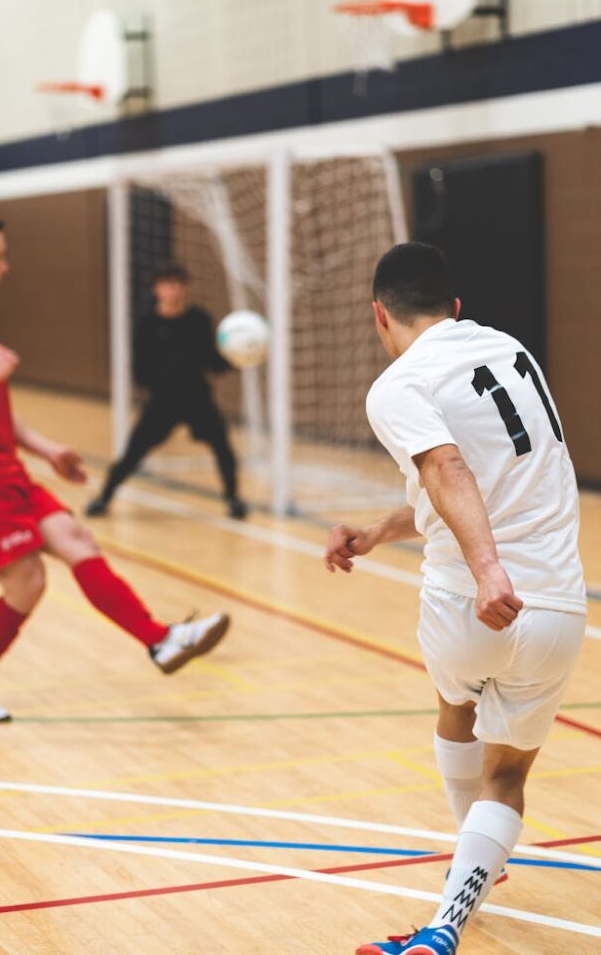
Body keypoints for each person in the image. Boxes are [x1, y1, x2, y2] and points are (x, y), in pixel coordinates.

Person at [324, 243, 586, 955]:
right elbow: (476, 480)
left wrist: (486, 569)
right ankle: (462, 891)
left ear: (379, 315)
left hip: (464, 602)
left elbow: (445, 466)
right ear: (456, 309)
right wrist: (383, 527)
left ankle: (452, 908)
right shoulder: (508, 350)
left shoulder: (397, 383)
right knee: (506, 778)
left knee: (456, 708)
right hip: (557, 608)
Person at [0, 215, 230, 723]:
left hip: (2, 471)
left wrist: (48, 450)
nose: (6, 265)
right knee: (28, 582)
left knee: (76, 541)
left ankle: (161, 641)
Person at [85, 264, 247, 520]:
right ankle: (104, 497)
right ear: (157, 289)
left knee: (222, 446)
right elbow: (141, 371)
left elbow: (213, 362)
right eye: (168, 284)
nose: (174, 290)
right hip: (163, 402)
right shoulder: (147, 324)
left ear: (186, 287)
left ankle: (233, 499)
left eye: (179, 284)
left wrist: (236, 356)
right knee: (133, 452)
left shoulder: (199, 320)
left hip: (197, 398)